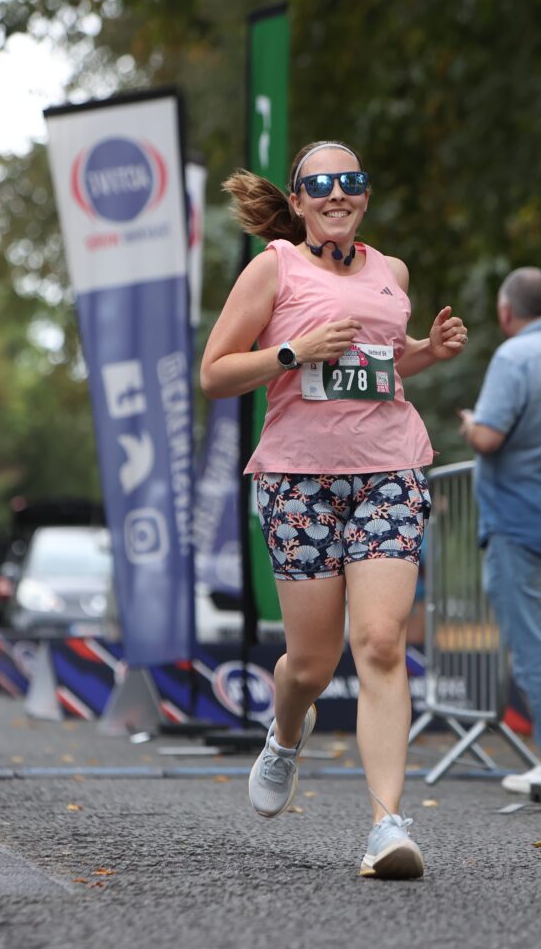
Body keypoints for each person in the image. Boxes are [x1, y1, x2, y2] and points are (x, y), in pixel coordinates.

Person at [201, 141, 469, 879]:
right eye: (320, 184)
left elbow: (379, 364)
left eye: (350, 181)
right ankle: (286, 735)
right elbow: (215, 374)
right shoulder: (273, 269)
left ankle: (387, 826)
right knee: (312, 665)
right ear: (297, 201)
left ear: (365, 196)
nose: (336, 192)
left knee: (380, 643)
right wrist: (292, 351)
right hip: (299, 478)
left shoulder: (394, 272)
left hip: (389, 468)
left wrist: (427, 352)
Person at [458, 267, 541, 794]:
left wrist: (469, 423)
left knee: (533, 645)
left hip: (520, 520)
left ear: (506, 312)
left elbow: (489, 438)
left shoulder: (514, 356)